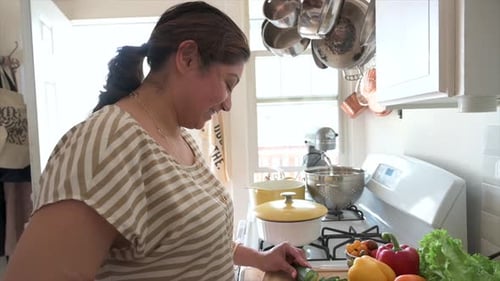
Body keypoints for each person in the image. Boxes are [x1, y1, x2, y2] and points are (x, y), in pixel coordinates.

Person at [3, 1, 310, 280]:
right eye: (228, 84)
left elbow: (189, 240)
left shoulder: (181, 138)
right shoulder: (109, 141)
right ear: (188, 58)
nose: (228, 104)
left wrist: (259, 258)